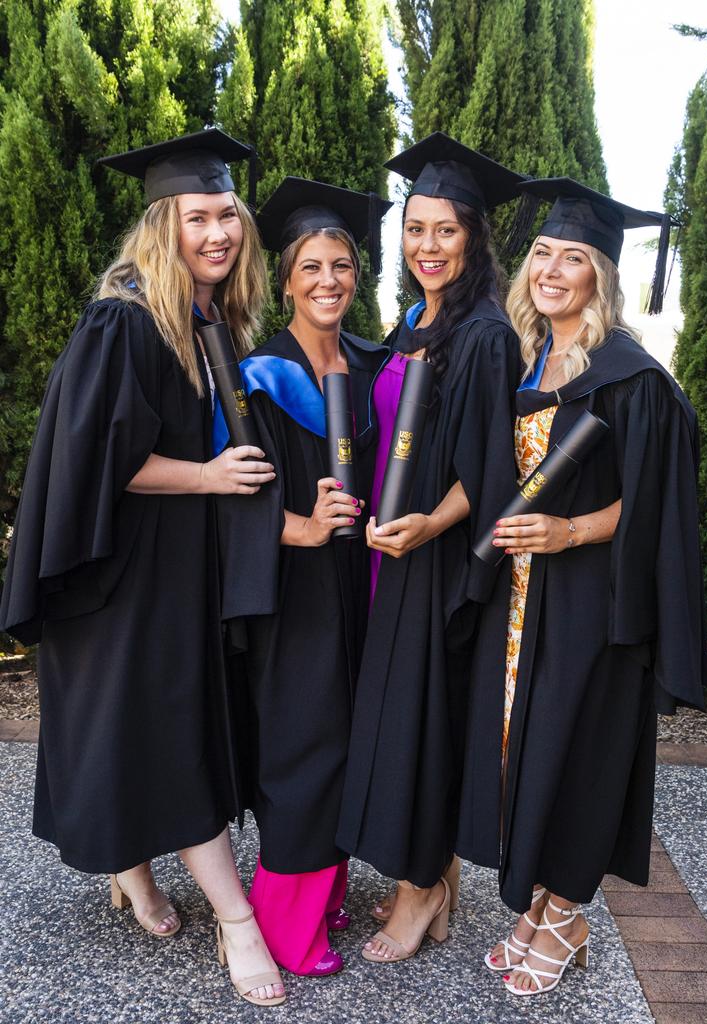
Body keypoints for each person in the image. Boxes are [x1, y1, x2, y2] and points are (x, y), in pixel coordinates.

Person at [0, 130, 286, 1008]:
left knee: (139, 727)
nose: (218, 234)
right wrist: (207, 476)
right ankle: (236, 919)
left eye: (227, 216)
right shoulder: (123, 319)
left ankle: (135, 877)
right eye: (198, 217)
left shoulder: (202, 319)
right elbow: (97, 461)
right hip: (119, 574)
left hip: (168, 569)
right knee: (168, 731)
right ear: (163, 224)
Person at [457, 177, 707, 996]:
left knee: (580, 754)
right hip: (521, 604)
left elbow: (658, 501)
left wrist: (569, 530)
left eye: (574, 257)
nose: (552, 270)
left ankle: (567, 916)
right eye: (541, 253)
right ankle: (536, 906)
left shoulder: (631, 375)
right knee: (521, 756)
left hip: (592, 603)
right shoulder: (530, 360)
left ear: (602, 274)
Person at [335, 133, 527, 963]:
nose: (428, 246)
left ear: (475, 236)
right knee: (416, 715)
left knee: (424, 720)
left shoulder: (484, 334)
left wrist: (429, 526)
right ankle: (436, 886)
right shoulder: (416, 320)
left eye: (445, 230)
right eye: (416, 230)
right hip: (390, 549)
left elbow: (490, 471)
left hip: (436, 558)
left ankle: (421, 895)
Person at [213, 177, 392, 977]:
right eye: (312, 267)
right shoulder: (257, 375)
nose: (329, 282)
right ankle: (286, 922)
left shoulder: (371, 362)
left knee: (351, 732)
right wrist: (303, 526)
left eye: (342, 266)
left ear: (358, 276)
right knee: (304, 740)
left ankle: (327, 891)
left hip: (363, 580)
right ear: (285, 279)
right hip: (290, 588)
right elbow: (227, 496)